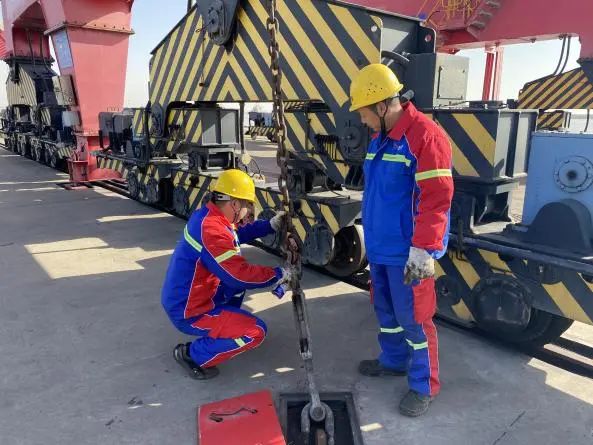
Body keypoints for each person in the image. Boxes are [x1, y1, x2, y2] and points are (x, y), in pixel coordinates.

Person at [349, 64, 454, 416]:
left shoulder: (426, 137)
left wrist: (424, 250)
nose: (362, 120)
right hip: (381, 248)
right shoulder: (381, 138)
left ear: (382, 106)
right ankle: (393, 360)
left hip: (409, 253)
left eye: (364, 113)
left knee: (416, 319)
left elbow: (436, 199)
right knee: (386, 312)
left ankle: (424, 386)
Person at [161, 169, 293, 380]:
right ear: (235, 204)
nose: (248, 211)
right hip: (189, 311)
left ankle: (224, 325)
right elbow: (239, 275)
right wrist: (278, 274)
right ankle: (192, 355)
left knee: (235, 288)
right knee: (255, 331)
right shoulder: (211, 230)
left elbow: (235, 234)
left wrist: (268, 226)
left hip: (186, 297)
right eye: (247, 205)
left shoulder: (209, 216)